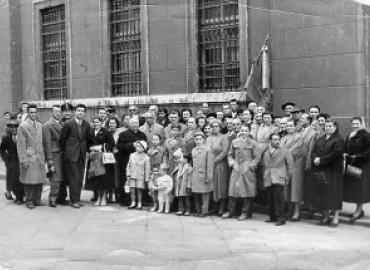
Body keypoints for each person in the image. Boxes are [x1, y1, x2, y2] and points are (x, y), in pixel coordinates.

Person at [308, 120, 344, 227]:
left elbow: (335, 154)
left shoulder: (339, 139)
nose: (327, 128)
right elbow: (313, 151)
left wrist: (321, 160)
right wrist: (315, 159)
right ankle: (326, 216)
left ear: (335, 127)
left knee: (334, 194)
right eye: (326, 126)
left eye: (330, 126)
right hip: (321, 170)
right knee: (323, 193)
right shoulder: (321, 138)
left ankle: (336, 217)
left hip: (333, 170)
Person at [223, 125, 260, 221]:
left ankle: (245, 212)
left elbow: (257, 157)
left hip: (247, 168)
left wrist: (251, 166)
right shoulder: (234, 141)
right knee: (232, 190)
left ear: (249, 132)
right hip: (236, 167)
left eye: (246, 130)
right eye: (242, 130)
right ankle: (230, 211)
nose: (244, 132)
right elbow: (230, 155)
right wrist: (231, 163)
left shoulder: (253, 143)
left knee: (247, 191)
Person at [60, 104, 91, 209]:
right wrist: (68, 151)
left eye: (82, 111)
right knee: (74, 178)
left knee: (80, 178)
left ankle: (77, 199)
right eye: (78, 111)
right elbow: (62, 140)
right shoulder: (68, 124)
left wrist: (86, 151)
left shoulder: (86, 125)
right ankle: (74, 201)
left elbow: (88, 139)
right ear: (75, 112)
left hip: (82, 155)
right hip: (71, 156)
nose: (80, 113)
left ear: (84, 113)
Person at [17, 104, 46, 209]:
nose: (33, 114)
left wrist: (44, 157)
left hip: (39, 156)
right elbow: (20, 145)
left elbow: (42, 142)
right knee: (29, 181)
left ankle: (37, 200)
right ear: (28, 113)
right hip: (29, 157)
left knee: (39, 180)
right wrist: (23, 160)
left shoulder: (40, 125)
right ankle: (29, 201)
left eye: (35, 112)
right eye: (31, 112)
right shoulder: (23, 126)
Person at [262, 133, 294, 226]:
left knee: (279, 199)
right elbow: (265, 165)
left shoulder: (285, 151)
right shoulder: (266, 152)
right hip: (268, 177)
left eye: (278, 139)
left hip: (279, 177)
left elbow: (290, 166)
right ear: (270, 141)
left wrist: (287, 177)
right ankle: (272, 216)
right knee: (270, 198)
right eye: (274, 140)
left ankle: (281, 218)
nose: (277, 141)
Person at [343, 117, 370, 223]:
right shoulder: (350, 135)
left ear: (362, 124)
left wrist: (357, 156)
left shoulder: (366, 135)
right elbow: (346, 147)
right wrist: (345, 153)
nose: (355, 125)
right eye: (353, 123)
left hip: (362, 165)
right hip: (351, 164)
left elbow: (369, 150)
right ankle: (358, 210)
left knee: (360, 189)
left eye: (357, 123)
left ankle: (359, 211)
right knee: (353, 188)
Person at [116, 117, 147, 205]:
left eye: (136, 123)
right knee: (126, 180)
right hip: (126, 160)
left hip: (139, 162)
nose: (134, 125)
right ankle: (126, 200)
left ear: (139, 124)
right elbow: (120, 146)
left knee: (139, 180)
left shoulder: (142, 135)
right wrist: (132, 145)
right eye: (132, 123)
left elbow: (145, 147)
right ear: (129, 124)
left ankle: (140, 200)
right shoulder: (123, 134)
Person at [86, 116, 114, 206]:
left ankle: (104, 198)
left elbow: (111, 143)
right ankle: (98, 197)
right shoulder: (90, 132)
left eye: (97, 122)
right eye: (94, 122)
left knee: (104, 178)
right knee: (96, 178)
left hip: (103, 158)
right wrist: (90, 149)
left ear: (101, 123)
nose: (96, 124)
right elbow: (86, 144)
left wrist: (101, 147)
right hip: (93, 158)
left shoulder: (106, 132)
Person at [206, 121, 230, 215]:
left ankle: (221, 207)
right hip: (210, 164)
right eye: (213, 126)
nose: (214, 128)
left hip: (220, 165)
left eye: (216, 126)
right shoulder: (208, 138)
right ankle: (214, 206)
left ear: (220, 128)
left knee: (221, 185)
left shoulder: (224, 137)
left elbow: (225, 151)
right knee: (212, 185)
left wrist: (215, 161)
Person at [42, 105, 63, 207]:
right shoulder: (47, 125)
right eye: (55, 111)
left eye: (59, 111)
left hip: (62, 155)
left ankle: (59, 197)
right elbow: (47, 143)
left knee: (60, 177)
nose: (58, 113)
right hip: (54, 155)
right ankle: (52, 199)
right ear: (52, 112)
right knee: (56, 177)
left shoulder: (62, 124)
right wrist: (49, 159)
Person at [0, 116, 24, 204]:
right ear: (8, 128)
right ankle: (15, 195)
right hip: (11, 160)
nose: (13, 129)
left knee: (20, 178)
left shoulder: (21, 136)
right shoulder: (5, 137)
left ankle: (20, 195)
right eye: (11, 127)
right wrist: (6, 158)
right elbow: (2, 149)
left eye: (15, 127)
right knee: (11, 178)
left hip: (20, 159)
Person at [191, 132, 214, 217]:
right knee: (196, 194)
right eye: (196, 139)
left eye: (200, 139)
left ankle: (204, 211)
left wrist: (209, 177)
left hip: (204, 175)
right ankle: (198, 211)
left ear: (203, 140)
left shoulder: (208, 150)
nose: (198, 141)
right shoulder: (193, 150)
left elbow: (210, 165)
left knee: (205, 194)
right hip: (195, 175)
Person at [126, 140, 150, 209]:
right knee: (132, 189)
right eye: (136, 147)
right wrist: (128, 174)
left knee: (139, 190)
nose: (137, 148)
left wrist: (147, 179)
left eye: (139, 147)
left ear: (143, 148)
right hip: (132, 175)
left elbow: (147, 169)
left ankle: (139, 203)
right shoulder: (132, 155)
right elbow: (129, 165)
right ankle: (133, 202)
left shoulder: (146, 157)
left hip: (140, 176)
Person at [172, 149, 192, 216]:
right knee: (180, 198)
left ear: (186, 159)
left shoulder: (189, 168)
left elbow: (190, 178)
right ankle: (180, 209)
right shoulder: (179, 166)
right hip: (179, 185)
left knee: (187, 199)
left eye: (182, 158)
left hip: (185, 186)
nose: (180, 159)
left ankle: (187, 210)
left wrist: (189, 185)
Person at [107, 117, 123, 202]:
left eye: (113, 123)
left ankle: (117, 195)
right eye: (110, 123)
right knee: (109, 176)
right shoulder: (106, 132)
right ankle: (109, 195)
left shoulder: (120, 133)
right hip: (107, 157)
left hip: (117, 156)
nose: (111, 124)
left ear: (117, 124)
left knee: (116, 176)